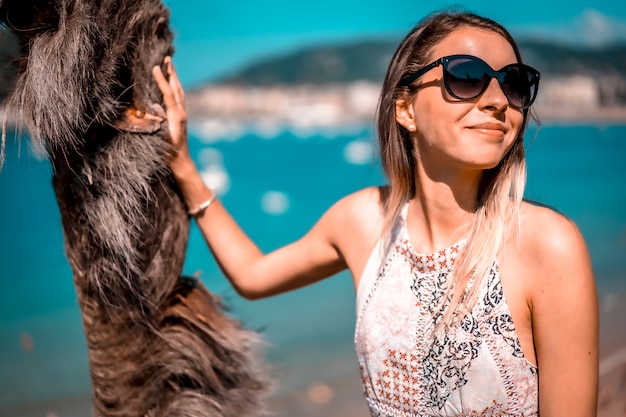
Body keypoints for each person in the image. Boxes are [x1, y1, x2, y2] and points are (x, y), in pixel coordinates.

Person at [153, 10, 598, 417]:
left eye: (514, 83)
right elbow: (252, 276)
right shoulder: (364, 220)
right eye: (467, 77)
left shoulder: (546, 244)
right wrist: (183, 165)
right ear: (405, 108)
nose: (498, 99)